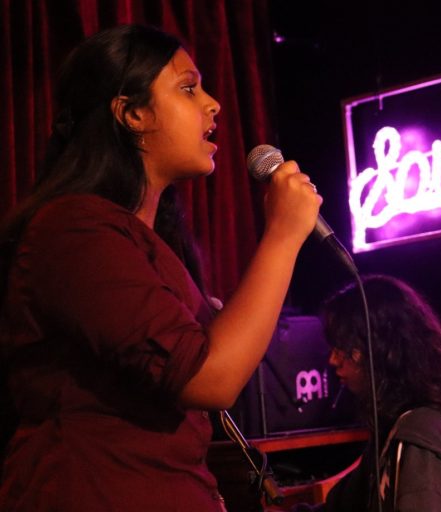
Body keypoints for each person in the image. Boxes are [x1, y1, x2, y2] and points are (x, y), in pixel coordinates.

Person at [0, 24, 320, 511]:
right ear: (131, 113)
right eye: (188, 88)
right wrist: (282, 235)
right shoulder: (73, 230)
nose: (212, 104)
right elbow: (211, 378)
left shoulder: (143, 243)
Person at [313, 275, 441, 512]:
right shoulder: (394, 428)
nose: (333, 360)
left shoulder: (420, 442)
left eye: (342, 347)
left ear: (378, 349)